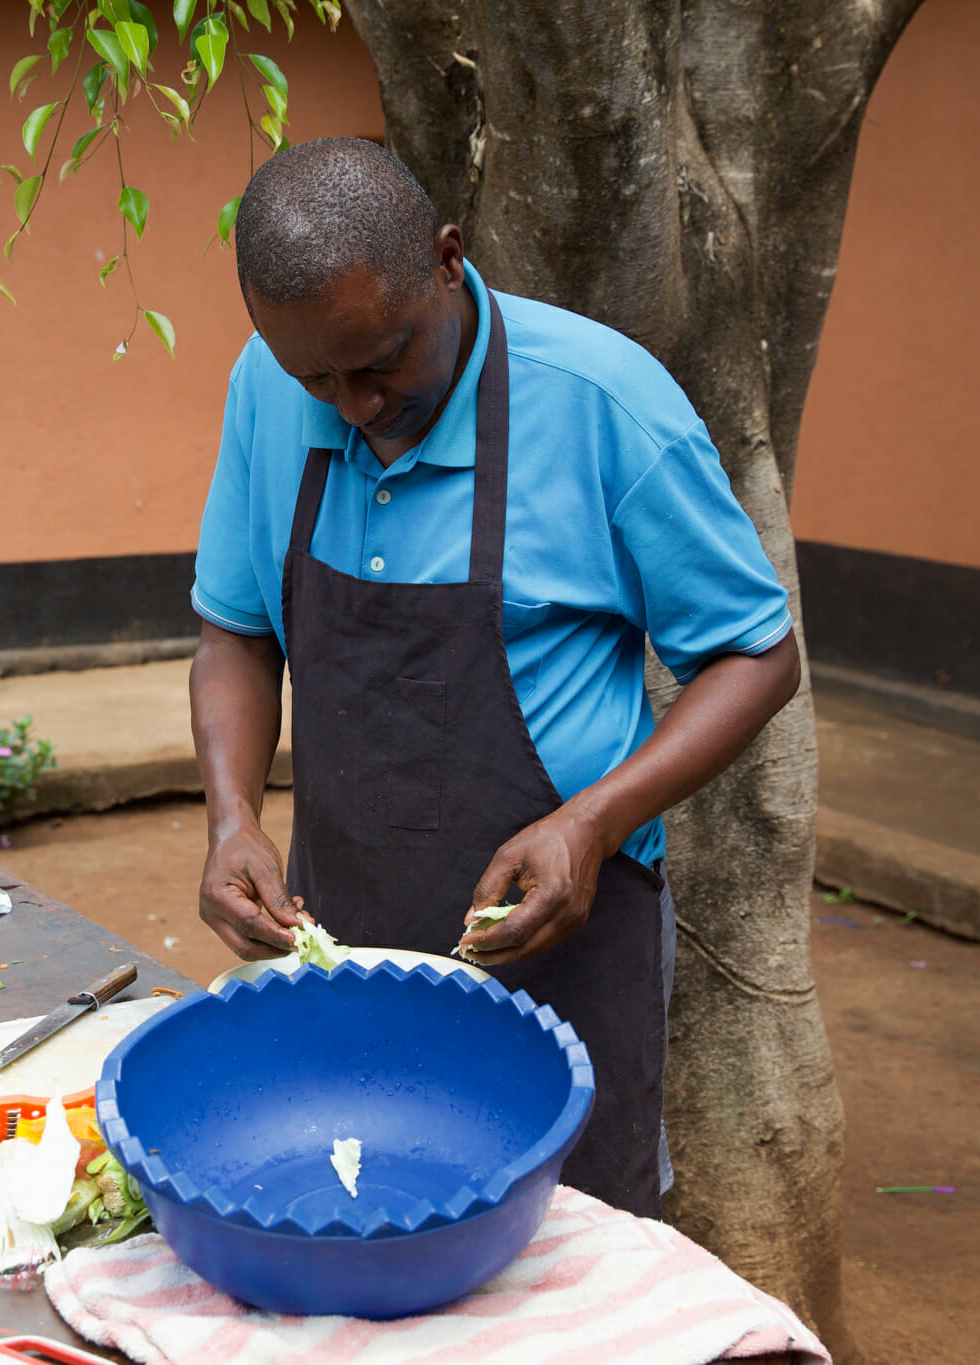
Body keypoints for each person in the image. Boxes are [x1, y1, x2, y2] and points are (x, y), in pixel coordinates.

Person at [189, 138, 801, 1217]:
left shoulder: (600, 402)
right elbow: (237, 634)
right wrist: (232, 819)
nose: (356, 404)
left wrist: (593, 822)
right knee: (364, 1215)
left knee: (568, 1254)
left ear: (445, 257)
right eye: (316, 378)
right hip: (348, 935)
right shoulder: (267, 387)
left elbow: (755, 654)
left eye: (380, 360)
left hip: (564, 940)